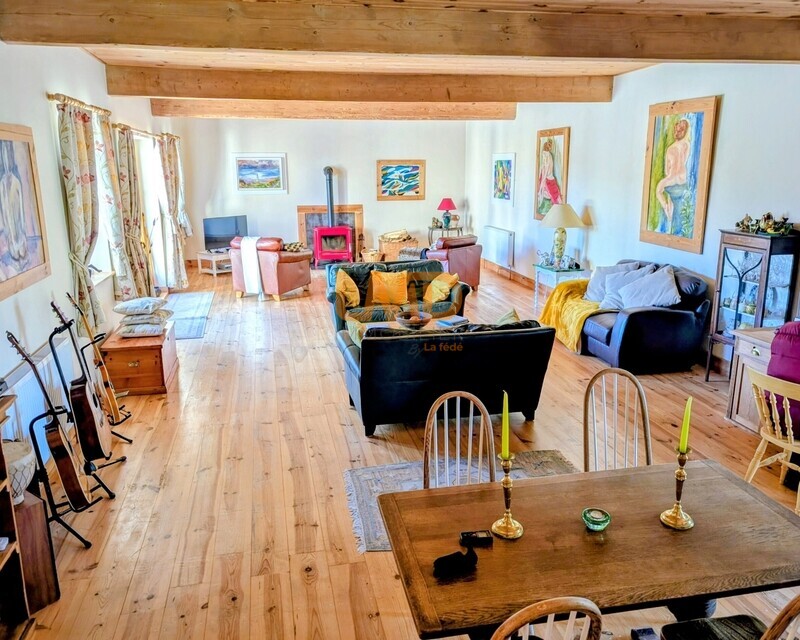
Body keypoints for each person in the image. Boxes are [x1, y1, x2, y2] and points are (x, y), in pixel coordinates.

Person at [655, 118, 691, 234]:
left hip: (672, 178)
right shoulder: (687, 145)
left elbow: (667, 169)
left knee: (659, 189)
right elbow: (684, 161)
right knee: (672, 193)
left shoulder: (670, 148)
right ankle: (670, 208)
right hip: (682, 178)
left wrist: (670, 175)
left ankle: (666, 208)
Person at [0, 141, 28, 264]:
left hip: (16, 216)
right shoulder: (2, 183)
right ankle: (14, 248)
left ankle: (20, 246)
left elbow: (20, 204)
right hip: (8, 217)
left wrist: (22, 221)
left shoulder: (16, 181)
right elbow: (2, 206)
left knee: (17, 230)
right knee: (11, 231)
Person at [537, 138, 562, 215]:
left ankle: (554, 207)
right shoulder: (547, 155)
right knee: (550, 191)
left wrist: (544, 176)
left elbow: (547, 166)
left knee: (552, 191)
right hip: (546, 175)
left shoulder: (547, 155)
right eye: (549, 146)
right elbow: (545, 166)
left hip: (547, 175)